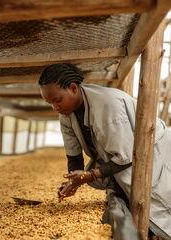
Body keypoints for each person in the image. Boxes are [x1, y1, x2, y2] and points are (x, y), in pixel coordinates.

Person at [38, 63, 171, 239]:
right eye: (50, 103)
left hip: (153, 155)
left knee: (157, 204)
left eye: (57, 100)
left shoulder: (108, 106)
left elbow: (126, 156)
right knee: (131, 196)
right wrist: (73, 180)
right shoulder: (66, 114)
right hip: (124, 158)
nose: (55, 108)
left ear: (73, 88)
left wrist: (89, 175)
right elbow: (73, 154)